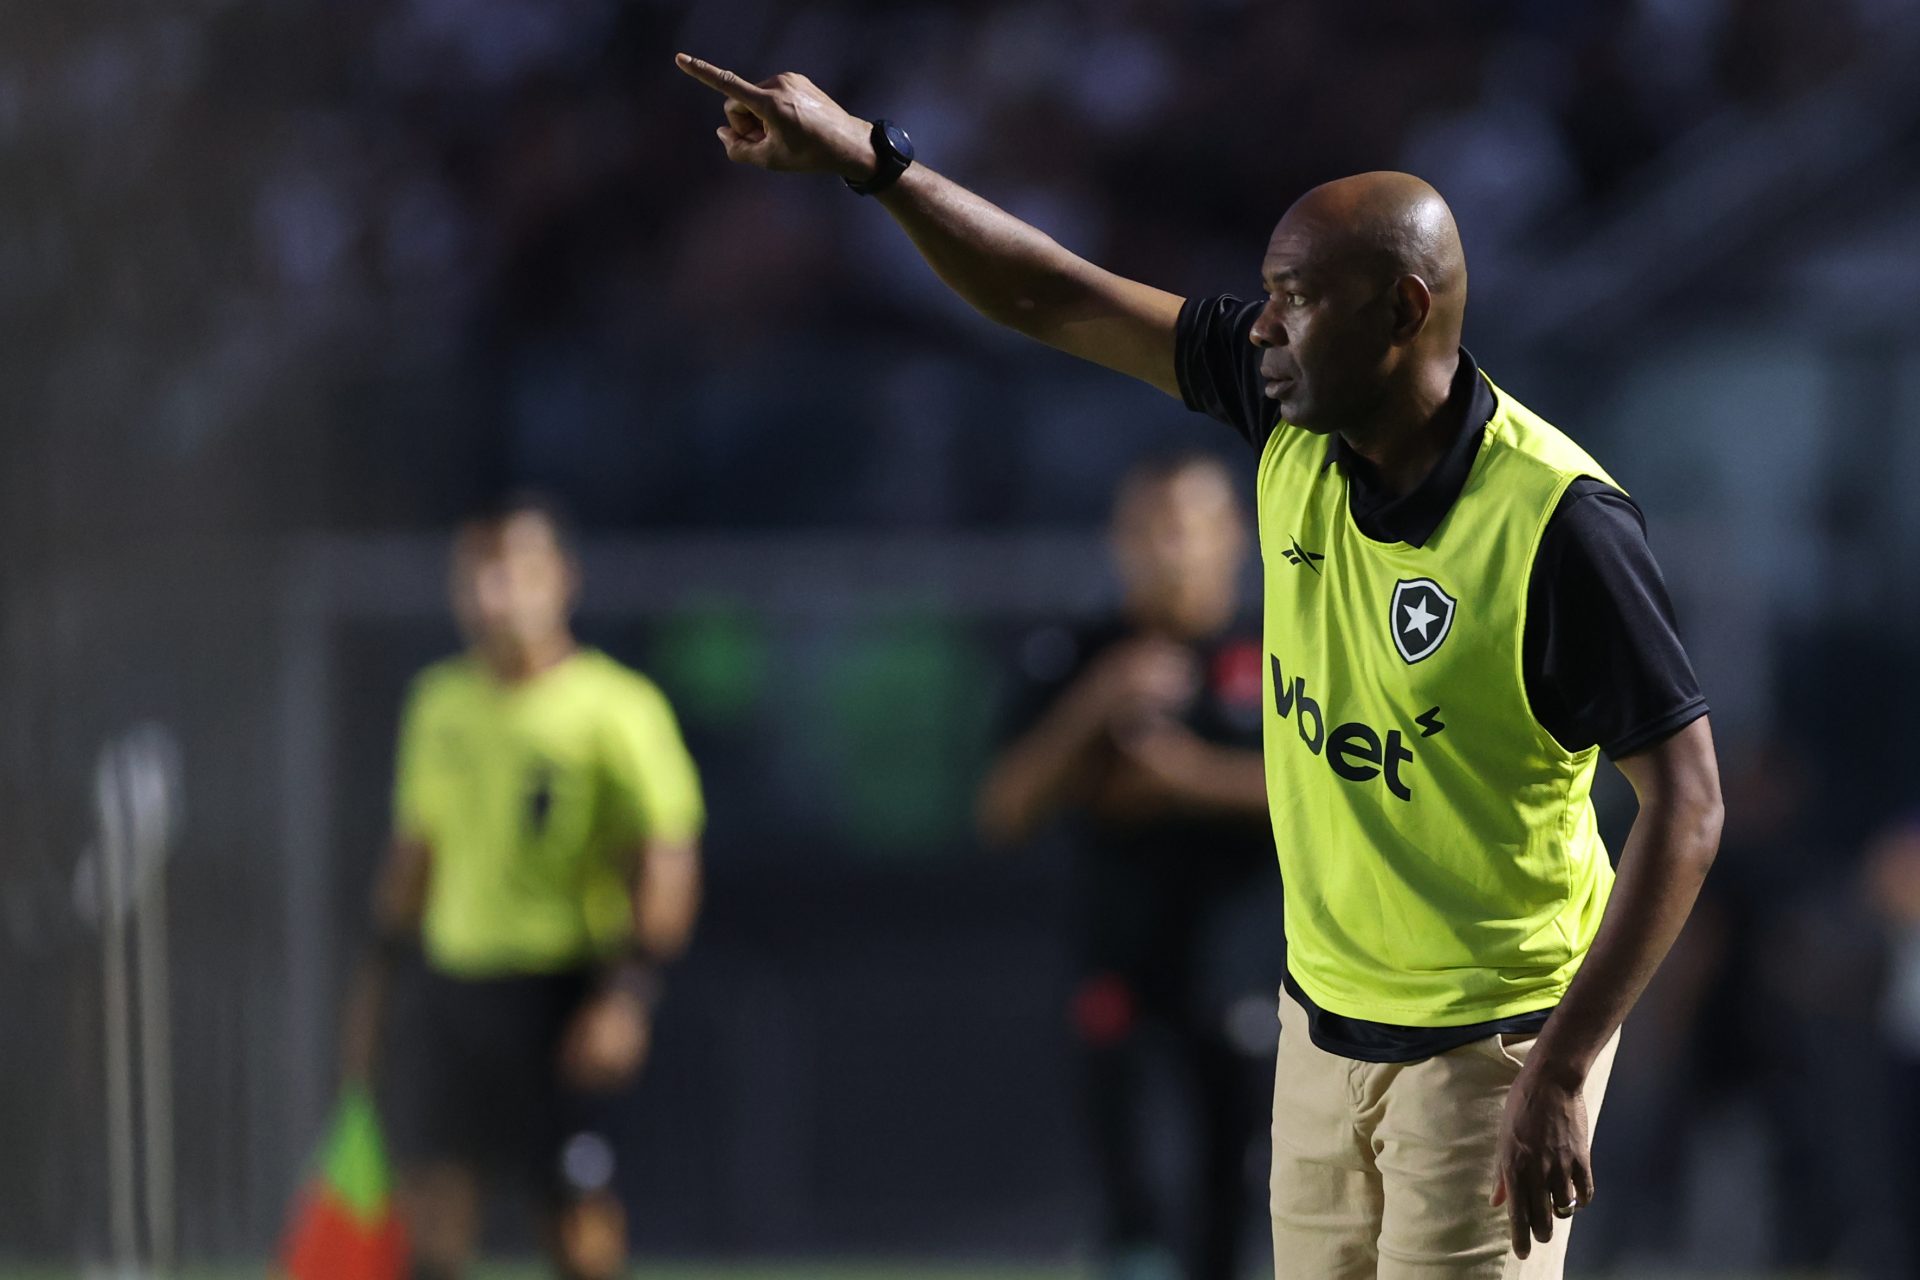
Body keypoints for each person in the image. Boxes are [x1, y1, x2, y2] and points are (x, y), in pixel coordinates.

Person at [674, 54, 1724, 1279]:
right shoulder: (1285, 412)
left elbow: (1687, 806)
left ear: (1402, 311)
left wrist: (1564, 1060)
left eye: (1294, 298)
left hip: (1490, 1045)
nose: (1263, 325)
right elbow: (1053, 297)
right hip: (1321, 1028)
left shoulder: (1559, 524)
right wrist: (873, 162)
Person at [340, 494, 705, 1280]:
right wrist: (377, 980)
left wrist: (628, 996)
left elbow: (668, 858)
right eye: (475, 575)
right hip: (454, 986)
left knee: (571, 1207)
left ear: (560, 580)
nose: (492, 595)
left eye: (512, 572)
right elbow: (416, 854)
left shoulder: (616, 708)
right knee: (433, 1204)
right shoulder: (439, 703)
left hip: (559, 990)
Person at [978, 453, 1279, 1280]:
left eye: (1182, 527)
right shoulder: (1079, 655)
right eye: (1145, 528)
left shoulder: (1283, 648)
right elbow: (1004, 809)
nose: (1164, 550)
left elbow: (1336, 799)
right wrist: (1094, 705)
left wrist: (1185, 782)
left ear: (1231, 538)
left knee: (1238, 1211)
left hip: (1250, 975)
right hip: (1121, 972)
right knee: (1132, 1212)